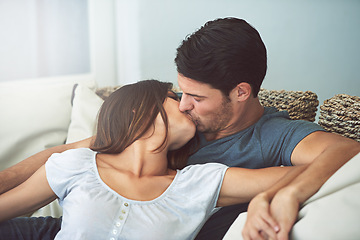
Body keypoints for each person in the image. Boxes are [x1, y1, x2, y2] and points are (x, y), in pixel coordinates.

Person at [0, 17, 359, 239]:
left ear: (240, 92)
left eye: (196, 97)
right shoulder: (167, 113)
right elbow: (76, 151)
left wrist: (285, 195)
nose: (184, 104)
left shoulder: (274, 136)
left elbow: (345, 151)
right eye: (180, 91)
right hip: (75, 221)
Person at [0, 80, 301, 240]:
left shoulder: (200, 182)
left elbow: (313, 171)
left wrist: (270, 197)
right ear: (139, 110)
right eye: (174, 96)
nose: (186, 105)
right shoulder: (78, 164)